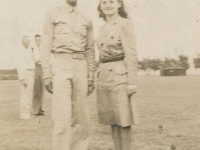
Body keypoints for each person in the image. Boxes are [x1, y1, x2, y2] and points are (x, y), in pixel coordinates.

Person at [40, 0, 95, 149]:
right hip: (60, 63)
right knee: (61, 116)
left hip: (81, 65)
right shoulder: (53, 14)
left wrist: (91, 76)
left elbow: (90, 49)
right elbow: (45, 43)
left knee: (81, 117)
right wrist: (46, 73)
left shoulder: (86, 18)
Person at [96, 0, 139, 149]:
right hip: (104, 77)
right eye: (104, 2)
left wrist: (132, 81)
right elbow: (101, 55)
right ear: (100, 6)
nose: (108, 5)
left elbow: (131, 54)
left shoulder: (124, 24)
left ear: (119, 4)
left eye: (112, 2)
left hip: (120, 75)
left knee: (123, 119)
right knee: (112, 119)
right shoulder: (102, 28)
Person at [17, 35, 35, 120]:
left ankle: (28, 112)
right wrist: (23, 78)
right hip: (25, 74)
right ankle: (24, 114)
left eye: (29, 42)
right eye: (27, 42)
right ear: (23, 42)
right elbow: (20, 66)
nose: (29, 43)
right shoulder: (20, 52)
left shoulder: (29, 51)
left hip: (31, 72)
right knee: (25, 95)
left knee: (29, 94)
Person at [32, 34, 45, 116]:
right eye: (37, 40)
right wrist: (40, 60)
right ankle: (35, 110)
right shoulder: (33, 49)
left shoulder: (43, 49)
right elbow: (35, 61)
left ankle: (40, 109)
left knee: (41, 90)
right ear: (35, 40)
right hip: (36, 68)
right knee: (36, 90)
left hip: (42, 68)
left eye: (40, 40)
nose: (39, 41)